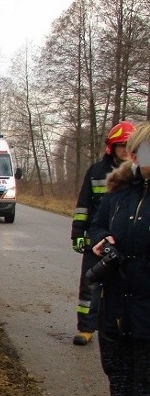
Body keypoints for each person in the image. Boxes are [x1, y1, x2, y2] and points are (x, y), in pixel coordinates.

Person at [82, 121, 150, 396]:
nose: (138, 156)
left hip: (145, 300)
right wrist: (100, 240)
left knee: (144, 370)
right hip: (116, 296)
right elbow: (96, 224)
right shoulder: (120, 192)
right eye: (136, 151)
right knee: (117, 364)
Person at [71, 121, 134, 346]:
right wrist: (78, 233)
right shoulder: (96, 171)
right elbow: (83, 205)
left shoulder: (139, 175)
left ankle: (122, 328)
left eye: (130, 145)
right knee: (89, 285)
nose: (126, 150)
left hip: (125, 243)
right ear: (111, 147)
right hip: (96, 240)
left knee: (126, 287)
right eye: (121, 145)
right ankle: (86, 328)